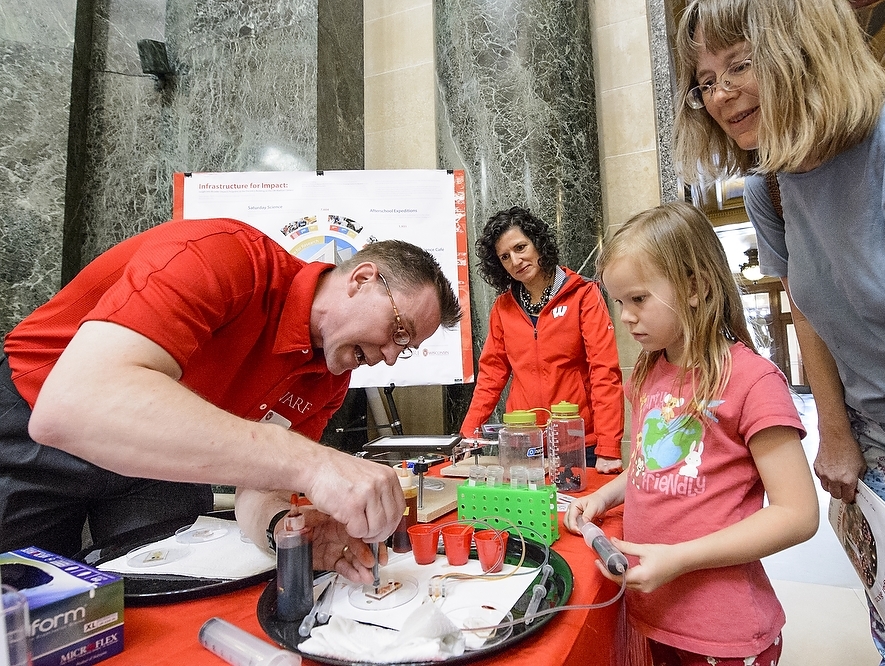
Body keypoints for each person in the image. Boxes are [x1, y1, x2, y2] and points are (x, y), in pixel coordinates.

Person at [672, 0, 885, 663]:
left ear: (809, 49)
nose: (722, 94)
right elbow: (810, 312)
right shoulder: (772, 187)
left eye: (740, 64)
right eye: (706, 80)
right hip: (882, 437)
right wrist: (837, 432)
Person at [0, 217, 462, 583]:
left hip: (163, 464)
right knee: (21, 600)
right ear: (361, 278)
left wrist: (284, 526)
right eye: (398, 331)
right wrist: (314, 463)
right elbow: (75, 404)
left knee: (162, 596)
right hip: (29, 424)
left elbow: (259, 484)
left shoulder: (327, 379)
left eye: (407, 348)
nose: (390, 357)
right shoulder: (225, 255)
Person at [564, 203, 819, 666]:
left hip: (723, 630)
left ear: (696, 287)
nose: (625, 317)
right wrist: (605, 498)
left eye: (638, 299)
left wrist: (679, 558)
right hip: (655, 615)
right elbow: (651, 468)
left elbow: (797, 514)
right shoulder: (646, 374)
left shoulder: (752, 381)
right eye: (620, 302)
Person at [459, 206, 625, 472]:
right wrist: (468, 434)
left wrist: (608, 447)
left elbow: (605, 372)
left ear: (538, 243)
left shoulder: (583, 294)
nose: (515, 261)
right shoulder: (503, 308)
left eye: (521, 247)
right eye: (504, 256)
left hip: (580, 443)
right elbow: (491, 376)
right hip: (524, 442)